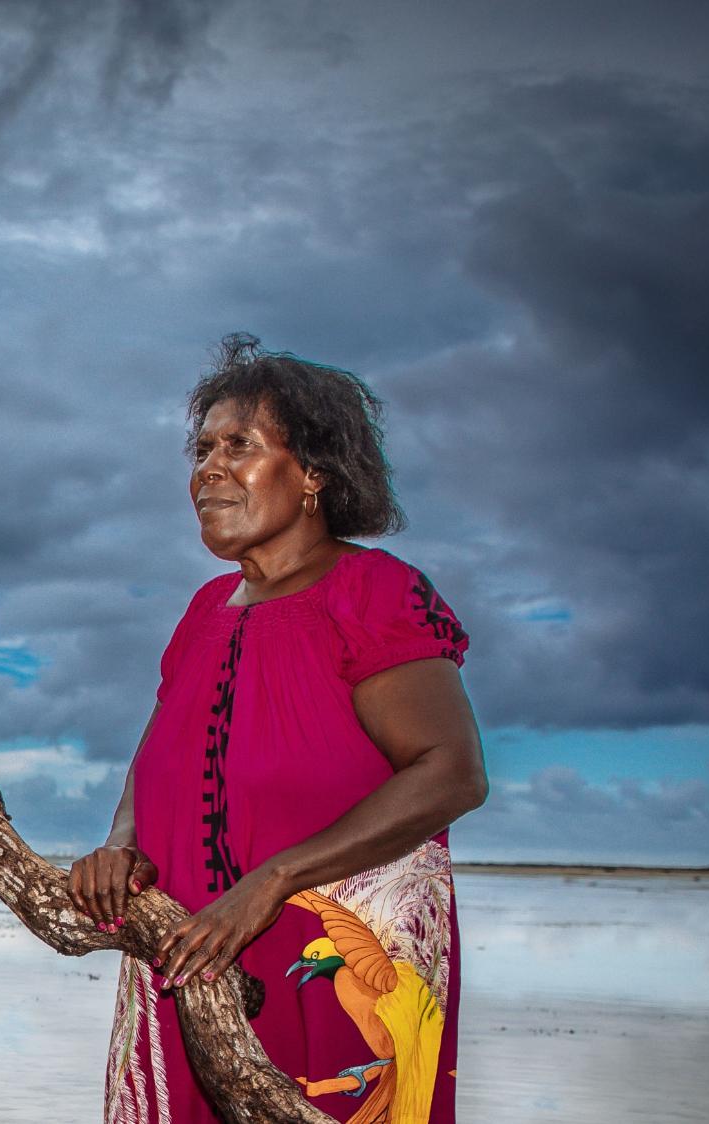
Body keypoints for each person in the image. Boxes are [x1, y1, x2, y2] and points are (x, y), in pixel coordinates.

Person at [70, 334, 487, 1124]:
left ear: (314, 476)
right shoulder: (202, 612)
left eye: (241, 446)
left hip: (333, 963)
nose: (208, 469)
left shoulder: (373, 593)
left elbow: (451, 771)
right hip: (191, 946)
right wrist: (121, 843)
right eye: (201, 450)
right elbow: (159, 757)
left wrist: (269, 884)